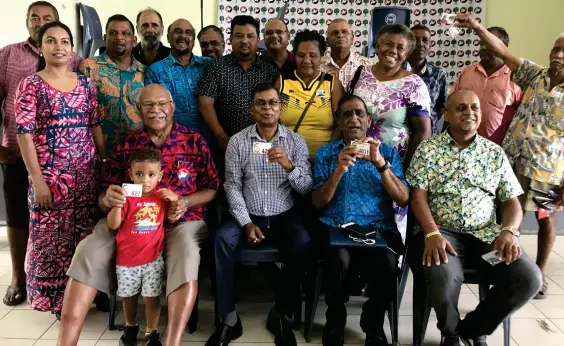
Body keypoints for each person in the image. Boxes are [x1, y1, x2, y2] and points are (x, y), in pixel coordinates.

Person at [57, 84, 221, 346]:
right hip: (130, 222)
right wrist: (108, 199)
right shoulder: (127, 146)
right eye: (148, 105)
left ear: (172, 107)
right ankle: (65, 342)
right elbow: (103, 193)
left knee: (187, 254)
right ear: (138, 110)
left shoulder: (194, 141)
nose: (156, 110)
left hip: (181, 221)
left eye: (161, 104)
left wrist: (185, 201)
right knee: (89, 249)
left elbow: (212, 187)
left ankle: (172, 342)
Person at [406, 89, 542, 346]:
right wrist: (431, 232)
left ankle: (471, 329)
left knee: (529, 279)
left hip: (486, 236)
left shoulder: (495, 153)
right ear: (446, 114)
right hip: (441, 233)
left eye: (474, 108)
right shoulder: (428, 150)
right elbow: (417, 197)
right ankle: (451, 334)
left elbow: (511, 200)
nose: (469, 112)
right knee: (443, 278)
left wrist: (509, 231)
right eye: (461, 108)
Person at [457, 14, 564, 300]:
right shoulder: (534, 75)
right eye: (556, 48)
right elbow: (501, 50)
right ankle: (507, 267)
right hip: (512, 161)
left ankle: (538, 274)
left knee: (546, 220)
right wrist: (477, 28)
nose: (559, 55)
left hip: (547, 170)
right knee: (509, 217)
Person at [206, 83, 312, 346]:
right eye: (261, 103)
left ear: (280, 108)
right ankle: (228, 318)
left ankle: (281, 313)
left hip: (282, 214)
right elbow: (231, 184)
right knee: (221, 240)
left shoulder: (295, 142)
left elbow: (307, 187)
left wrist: (289, 166)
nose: (267, 108)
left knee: (302, 242)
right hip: (247, 213)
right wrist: (246, 222)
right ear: (252, 109)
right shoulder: (237, 141)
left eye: (273, 103)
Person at [14, 21, 106, 319]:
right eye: (51, 41)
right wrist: (37, 181)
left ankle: (89, 292)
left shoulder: (85, 83)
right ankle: (58, 301)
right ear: (41, 47)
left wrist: (106, 165)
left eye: (65, 41)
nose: (59, 47)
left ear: (72, 48)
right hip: (50, 180)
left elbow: (95, 126)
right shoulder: (31, 85)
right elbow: (24, 134)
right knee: (51, 240)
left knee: (86, 237)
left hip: (86, 177)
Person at [0, 0, 82, 307]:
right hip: (19, 155)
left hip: (70, 168)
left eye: (47, 19)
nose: (40, 22)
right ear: (29, 23)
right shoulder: (9, 55)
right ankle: (19, 280)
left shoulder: (77, 67)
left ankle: (73, 287)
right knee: (21, 219)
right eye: (35, 18)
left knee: (67, 228)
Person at [312, 94, 408, 346]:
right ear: (340, 122)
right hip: (336, 227)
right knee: (336, 259)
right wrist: (337, 171)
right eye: (347, 114)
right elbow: (317, 202)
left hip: (377, 229)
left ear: (368, 120)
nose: (353, 119)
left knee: (387, 262)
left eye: (358, 114)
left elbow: (403, 198)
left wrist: (381, 164)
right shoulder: (326, 154)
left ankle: (374, 322)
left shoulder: (386, 152)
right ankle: (335, 320)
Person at [351, 24, 431, 234]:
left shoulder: (414, 84)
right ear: (377, 45)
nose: (393, 50)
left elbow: (423, 131)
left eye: (400, 47)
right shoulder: (361, 74)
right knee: (359, 218)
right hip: (358, 160)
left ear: (407, 53)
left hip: (394, 163)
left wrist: (407, 169)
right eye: (388, 43)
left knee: (389, 224)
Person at [108, 149, 179, 346]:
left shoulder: (161, 196)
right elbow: (113, 225)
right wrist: (116, 205)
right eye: (139, 174)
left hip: (152, 258)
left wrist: (174, 198)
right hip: (126, 259)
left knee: (151, 297)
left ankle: (152, 331)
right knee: (128, 296)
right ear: (131, 174)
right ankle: (130, 326)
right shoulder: (127, 196)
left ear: (160, 176)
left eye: (151, 175)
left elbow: (173, 217)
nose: (145, 180)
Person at [197, 15, 279, 167]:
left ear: (258, 39)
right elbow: (205, 103)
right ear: (230, 39)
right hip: (225, 146)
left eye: (250, 36)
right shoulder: (217, 67)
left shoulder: (270, 71)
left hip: (262, 146)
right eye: (239, 36)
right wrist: (221, 137)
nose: (244, 41)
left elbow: (277, 107)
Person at [79, 14, 145, 155]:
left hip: (137, 153)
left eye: (125, 34)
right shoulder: (88, 67)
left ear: (134, 41)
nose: (119, 37)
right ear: (104, 38)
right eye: (113, 33)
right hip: (97, 152)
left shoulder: (144, 71)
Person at [276, 29, 344, 159]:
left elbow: (340, 124)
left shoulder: (332, 84)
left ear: (322, 56)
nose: (307, 60)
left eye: (313, 55)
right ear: (294, 56)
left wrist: (326, 154)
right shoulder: (282, 82)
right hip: (288, 161)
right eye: (301, 55)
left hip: (323, 160)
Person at [451, 26, 522, 145]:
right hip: (462, 145)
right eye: (481, 43)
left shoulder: (516, 77)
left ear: (504, 47)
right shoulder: (467, 72)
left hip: (498, 149)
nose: (483, 48)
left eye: (488, 43)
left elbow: (520, 121)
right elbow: (452, 105)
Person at [146, 19, 212, 135]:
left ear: (193, 40)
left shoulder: (208, 65)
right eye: (178, 32)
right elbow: (152, 110)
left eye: (188, 33)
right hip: (174, 144)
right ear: (168, 37)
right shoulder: (155, 70)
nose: (183, 36)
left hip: (209, 140)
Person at [408, 24, 448, 135]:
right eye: (415, 40)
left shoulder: (438, 73)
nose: (420, 44)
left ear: (430, 45)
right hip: (400, 137)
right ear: (408, 44)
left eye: (425, 40)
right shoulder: (397, 71)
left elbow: (441, 109)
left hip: (428, 137)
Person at [320, 18, 373, 88]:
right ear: (327, 41)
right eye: (335, 33)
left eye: (344, 32)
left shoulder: (366, 65)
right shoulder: (318, 65)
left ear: (352, 38)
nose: (340, 35)